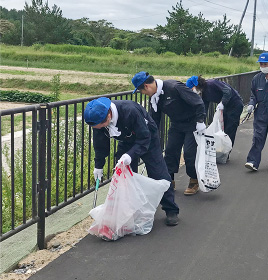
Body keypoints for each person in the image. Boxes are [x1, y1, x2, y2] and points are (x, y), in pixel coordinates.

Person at [84, 97, 179, 226]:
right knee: (124, 177)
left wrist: (130, 155)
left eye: (101, 125)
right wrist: (98, 165)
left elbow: (144, 137)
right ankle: (131, 211)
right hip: (126, 140)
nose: (99, 128)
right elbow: (100, 144)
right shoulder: (97, 121)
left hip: (147, 138)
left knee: (158, 173)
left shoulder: (130, 111)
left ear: (108, 116)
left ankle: (171, 209)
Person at [131, 71, 206, 196]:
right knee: (170, 152)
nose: (143, 94)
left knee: (189, 153)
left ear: (146, 86)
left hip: (192, 124)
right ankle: (168, 181)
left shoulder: (174, 87)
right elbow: (154, 118)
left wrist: (200, 120)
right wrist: (149, 134)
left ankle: (194, 180)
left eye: (141, 91)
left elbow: (197, 101)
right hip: (176, 125)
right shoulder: (155, 98)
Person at [185, 75, 244, 148]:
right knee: (223, 129)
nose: (192, 91)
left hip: (235, 104)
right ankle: (221, 151)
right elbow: (204, 108)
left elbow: (227, 91)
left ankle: (226, 153)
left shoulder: (211, 84)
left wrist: (223, 102)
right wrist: (201, 121)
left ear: (196, 85)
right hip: (225, 107)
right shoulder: (204, 93)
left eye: (191, 89)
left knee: (230, 129)